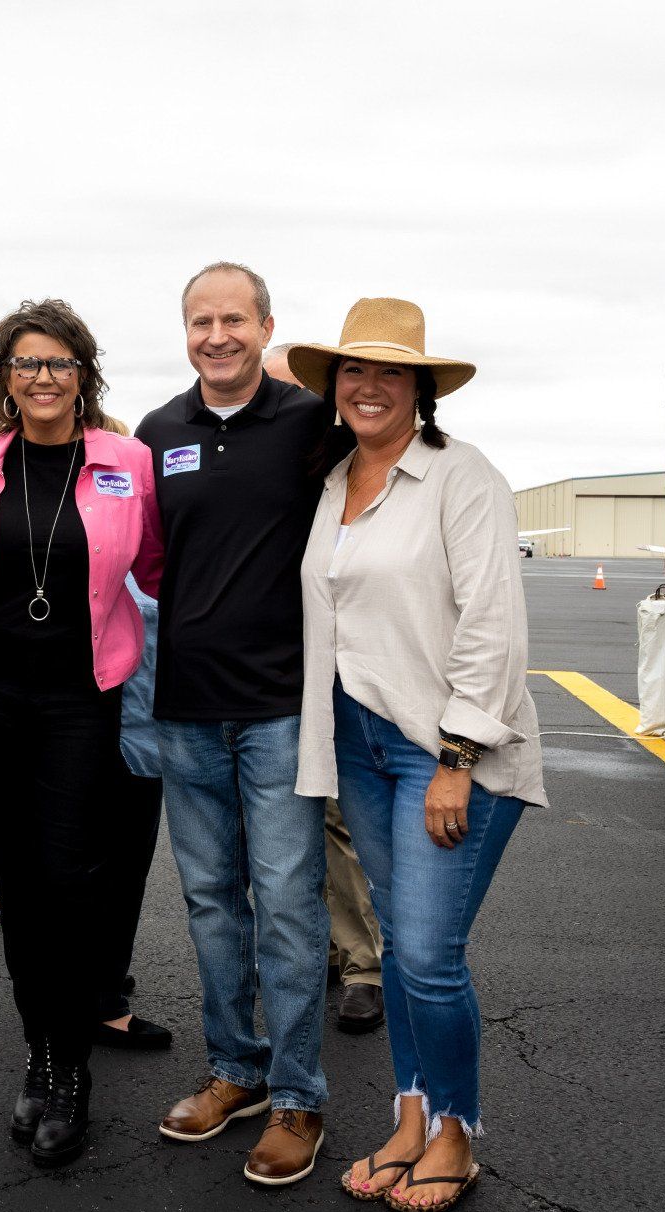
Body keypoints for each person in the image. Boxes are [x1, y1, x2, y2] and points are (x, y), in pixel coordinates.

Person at [287, 299, 545, 1212]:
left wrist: (457, 755)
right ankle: (411, 1114)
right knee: (399, 950)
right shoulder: (333, 483)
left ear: (421, 390)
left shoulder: (460, 478)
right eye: (352, 372)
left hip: (442, 749)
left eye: (389, 373)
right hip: (358, 742)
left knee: (430, 955)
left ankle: (458, 1132)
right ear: (333, 387)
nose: (367, 387)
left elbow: (493, 625)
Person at [0, 299, 161, 1167]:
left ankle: (69, 1068)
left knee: (69, 880)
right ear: (4, 380)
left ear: (84, 377)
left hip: (83, 699)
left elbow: (162, 571)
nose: (43, 377)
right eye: (26, 364)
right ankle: (41, 1051)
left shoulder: (127, 462)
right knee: (22, 884)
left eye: (59, 364)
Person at [138, 261, 331, 1188]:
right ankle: (236, 1072)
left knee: (288, 907)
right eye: (200, 321)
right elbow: (141, 558)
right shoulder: (158, 432)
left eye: (233, 320)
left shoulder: (309, 422)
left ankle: (299, 1096)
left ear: (265, 326)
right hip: (186, 708)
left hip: (281, 710)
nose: (217, 335)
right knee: (213, 904)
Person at [265, 344, 384, 1033]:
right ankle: (308, 957)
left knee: (336, 823)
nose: (289, 407)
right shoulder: (262, 461)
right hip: (264, 675)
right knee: (270, 830)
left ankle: (362, 964)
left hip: (332, 672)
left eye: (297, 393)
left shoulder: (344, 469)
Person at [93, 573, 173, 1052]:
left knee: (124, 862)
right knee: (113, 864)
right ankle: (100, 1003)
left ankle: (101, 978)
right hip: (107, 725)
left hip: (142, 727)